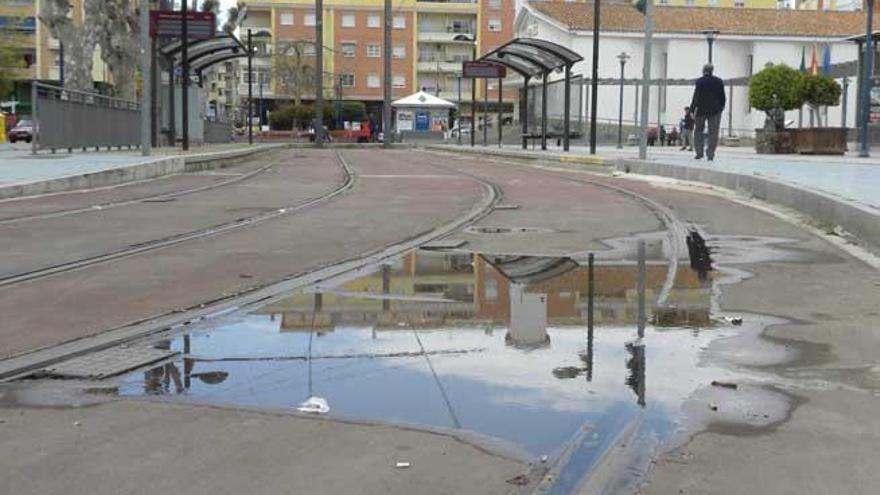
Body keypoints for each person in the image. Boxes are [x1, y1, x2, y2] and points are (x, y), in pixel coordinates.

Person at [690, 64, 726, 161]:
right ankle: (710, 153)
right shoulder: (719, 81)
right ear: (712, 70)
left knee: (698, 131)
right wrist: (721, 108)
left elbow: (696, 97)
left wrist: (692, 110)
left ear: (703, 71)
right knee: (713, 133)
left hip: (701, 110)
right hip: (715, 111)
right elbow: (722, 97)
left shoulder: (699, 82)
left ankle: (699, 152)